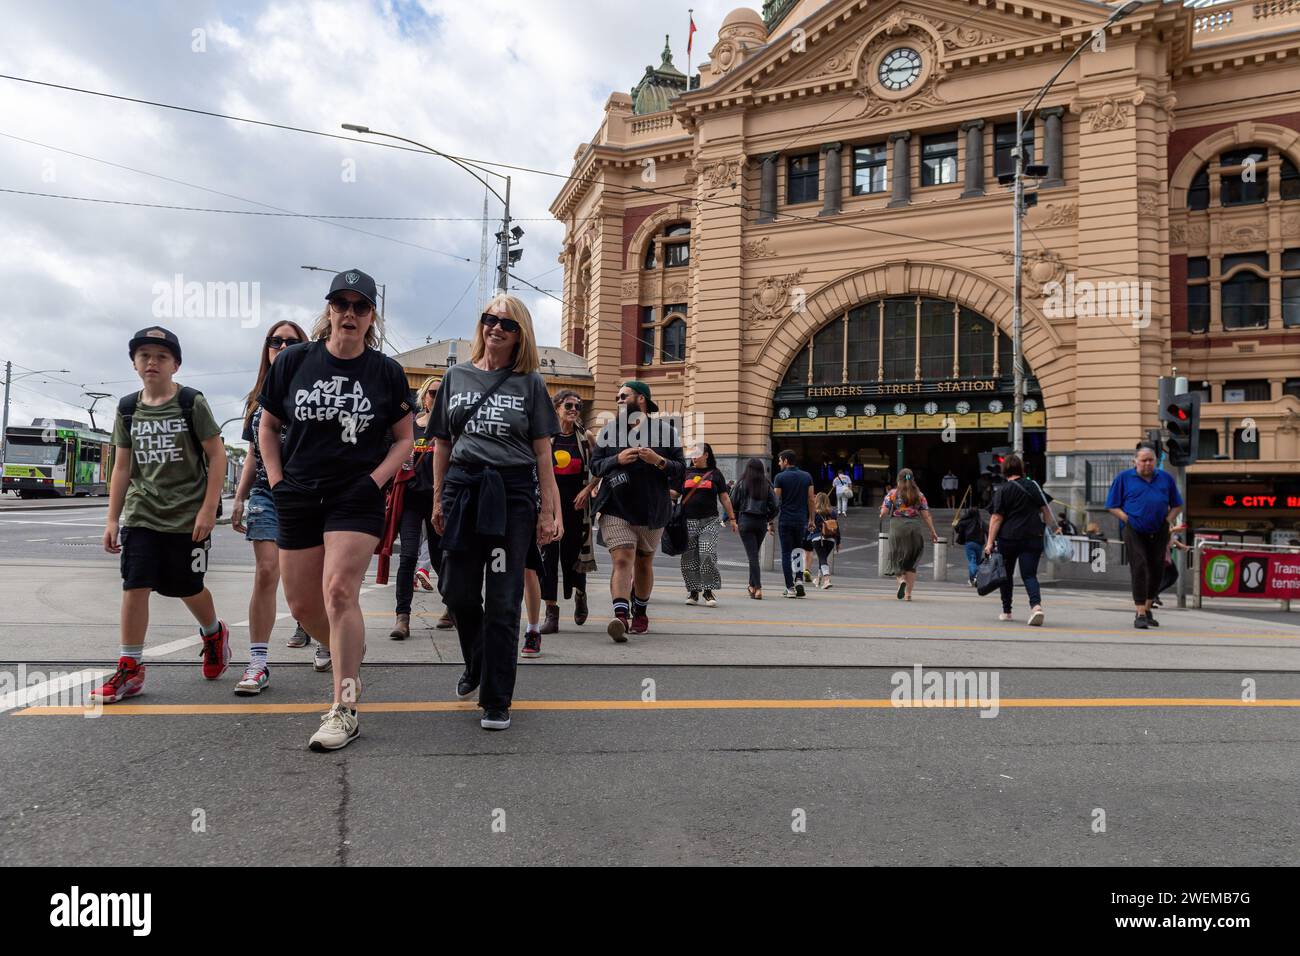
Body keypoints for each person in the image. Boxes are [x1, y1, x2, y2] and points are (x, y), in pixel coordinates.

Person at [258, 269, 415, 751]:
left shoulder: (385, 372)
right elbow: (267, 427)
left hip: (355, 495)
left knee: (339, 591)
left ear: (372, 316)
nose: (349, 313)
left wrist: (373, 481)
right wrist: (279, 481)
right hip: (299, 492)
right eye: (341, 304)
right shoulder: (294, 362)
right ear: (329, 311)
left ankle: (344, 707)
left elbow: (405, 439)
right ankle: (350, 648)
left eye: (360, 306)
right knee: (304, 606)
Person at [430, 294, 561, 730]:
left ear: (520, 334)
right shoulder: (456, 376)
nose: (496, 328)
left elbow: (544, 454)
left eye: (507, 323)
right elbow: (442, 444)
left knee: (504, 599)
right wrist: (437, 498)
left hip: (512, 494)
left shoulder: (531, 383)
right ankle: (478, 662)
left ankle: (496, 698)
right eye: (490, 319)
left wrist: (549, 512)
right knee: (457, 590)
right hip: (463, 489)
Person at [93, 327, 229, 703]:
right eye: (144, 356)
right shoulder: (127, 408)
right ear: (135, 363)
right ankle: (130, 668)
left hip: (188, 515)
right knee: (135, 586)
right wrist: (111, 519)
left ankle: (214, 633)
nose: (152, 362)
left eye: (161, 357)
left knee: (186, 586)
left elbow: (218, 456)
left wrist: (207, 509)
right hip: (142, 512)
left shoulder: (190, 402)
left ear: (175, 365)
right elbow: (122, 468)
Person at [230, 320, 312, 693]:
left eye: (291, 341)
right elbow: (252, 452)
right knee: (266, 573)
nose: (281, 346)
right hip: (267, 493)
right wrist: (240, 497)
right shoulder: (258, 395)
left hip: (310, 494)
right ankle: (258, 663)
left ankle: (326, 637)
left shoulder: (314, 389)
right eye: (274, 341)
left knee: (313, 581)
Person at [590, 381, 685, 640]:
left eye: (623, 395)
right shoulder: (609, 431)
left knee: (643, 562)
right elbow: (595, 465)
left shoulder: (665, 432)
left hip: (653, 510)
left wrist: (659, 461)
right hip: (616, 507)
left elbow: (680, 469)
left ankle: (640, 611)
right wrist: (616, 460)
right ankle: (620, 616)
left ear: (640, 399)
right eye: (617, 396)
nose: (618, 400)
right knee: (622, 559)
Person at [531, 389, 600, 650]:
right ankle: (552, 612)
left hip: (577, 505)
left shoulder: (586, 437)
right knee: (548, 555)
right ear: (557, 407)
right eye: (569, 405)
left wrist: (588, 489)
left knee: (573, 557)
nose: (574, 410)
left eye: (578, 406)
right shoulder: (546, 437)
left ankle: (580, 595)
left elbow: (600, 467)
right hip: (549, 505)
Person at [389, 377, 451, 640]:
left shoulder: (449, 428)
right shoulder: (410, 426)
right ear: (424, 397)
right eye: (433, 393)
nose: (436, 398)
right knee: (408, 557)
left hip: (438, 500)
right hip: (412, 499)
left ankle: (453, 606)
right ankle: (402, 617)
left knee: (440, 559)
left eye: (441, 394)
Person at [1105, 444, 1182, 629]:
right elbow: (1112, 505)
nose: (1147, 464)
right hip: (1134, 529)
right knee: (1139, 566)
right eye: (1143, 460)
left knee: (1157, 569)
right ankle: (1139, 612)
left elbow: (1178, 504)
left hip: (1159, 530)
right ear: (1135, 462)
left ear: (1155, 461)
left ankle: (1147, 608)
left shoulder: (1165, 478)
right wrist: (1127, 519)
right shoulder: (1124, 478)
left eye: (1151, 460)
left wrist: (1167, 521)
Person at [984, 454, 1058, 626]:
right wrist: (1050, 530)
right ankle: (1036, 607)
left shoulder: (1003, 490)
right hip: (1033, 537)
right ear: (1021, 469)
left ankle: (1007, 611)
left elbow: (996, 518)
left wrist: (989, 543)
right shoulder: (1033, 486)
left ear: (1004, 470)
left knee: (1006, 575)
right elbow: (1046, 511)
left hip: (1008, 538)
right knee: (1030, 574)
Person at [679, 442, 736, 608]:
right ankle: (693, 591)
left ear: (706, 455)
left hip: (710, 520)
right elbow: (675, 493)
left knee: (707, 554)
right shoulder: (685, 472)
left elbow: (724, 497)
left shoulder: (715, 474)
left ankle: (708, 590)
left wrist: (732, 518)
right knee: (689, 558)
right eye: (692, 453)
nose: (693, 457)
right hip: (688, 520)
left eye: (697, 453)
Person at [880, 468, 939, 601]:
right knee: (911, 562)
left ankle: (901, 580)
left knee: (896, 556)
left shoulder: (893, 493)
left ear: (898, 479)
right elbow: (926, 515)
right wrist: (933, 531)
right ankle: (908, 595)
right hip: (914, 528)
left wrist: (881, 514)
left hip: (897, 527)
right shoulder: (920, 495)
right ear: (913, 479)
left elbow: (884, 511)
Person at [730, 457, 779, 599]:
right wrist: (768, 518)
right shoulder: (767, 485)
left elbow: (732, 502)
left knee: (753, 557)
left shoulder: (741, 484)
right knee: (754, 556)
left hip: (746, 521)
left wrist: (736, 517)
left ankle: (758, 588)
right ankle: (751, 586)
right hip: (761, 523)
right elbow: (775, 506)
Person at [773, 450, 815, 598]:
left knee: (786, 553)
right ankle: (798, 580)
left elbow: (775, 501)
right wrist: (812, 519)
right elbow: (811, 498)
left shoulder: (780, 477)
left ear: (785, 461)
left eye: (779, 460)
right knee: (798, 550)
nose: (778, 463)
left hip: (785, 520)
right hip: (801, 520)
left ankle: (790, 588)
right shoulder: (806, 476)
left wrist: (770, 520)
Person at [810, 492, 841, 589]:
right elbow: (837, 528)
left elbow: (810, 526)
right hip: (830, 539)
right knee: (822, 558)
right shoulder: (833, 513)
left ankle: (827, 580)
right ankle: (818, 579)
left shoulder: (814, 512)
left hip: (818, 538)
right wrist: (838, 542)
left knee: (822, 558)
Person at [953, 504, 987, 587]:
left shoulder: (966, 521)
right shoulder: (981, 522)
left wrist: (955, 523)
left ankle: (974, 576)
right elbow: (988, 531)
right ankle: (973, 580)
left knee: (972, 561)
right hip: (979, 544)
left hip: (970, 543)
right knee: (977, 562)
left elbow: (957, 528)